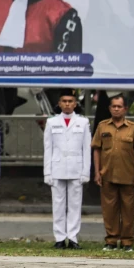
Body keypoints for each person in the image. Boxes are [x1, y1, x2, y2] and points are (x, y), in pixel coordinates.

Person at [92, 94, 134, 252]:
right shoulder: (102, 126)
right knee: (109, 210)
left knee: (128, 210)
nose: (116, 109)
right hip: (107, 173)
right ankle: (111, 240)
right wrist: (97, 172)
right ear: (109, 108)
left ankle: (127, 242)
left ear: (125, 109)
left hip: (128, 175)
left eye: (119, 106)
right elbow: (97, 149)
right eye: (113, 106)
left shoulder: (133, 128)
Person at [43, 88, 91, 249]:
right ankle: (59, 237)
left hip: (76, 167)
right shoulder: (51, 122)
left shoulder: (83, 122)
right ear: (59, 103)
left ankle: (73, 237)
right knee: (58, 204)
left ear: (75, 104)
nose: (67, 104)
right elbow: (48, 148)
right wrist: (47, 172)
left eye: (70, 101)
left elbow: (86, 149)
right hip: (57, 166)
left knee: (75, 204)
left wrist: (86, 171)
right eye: (64, 101)